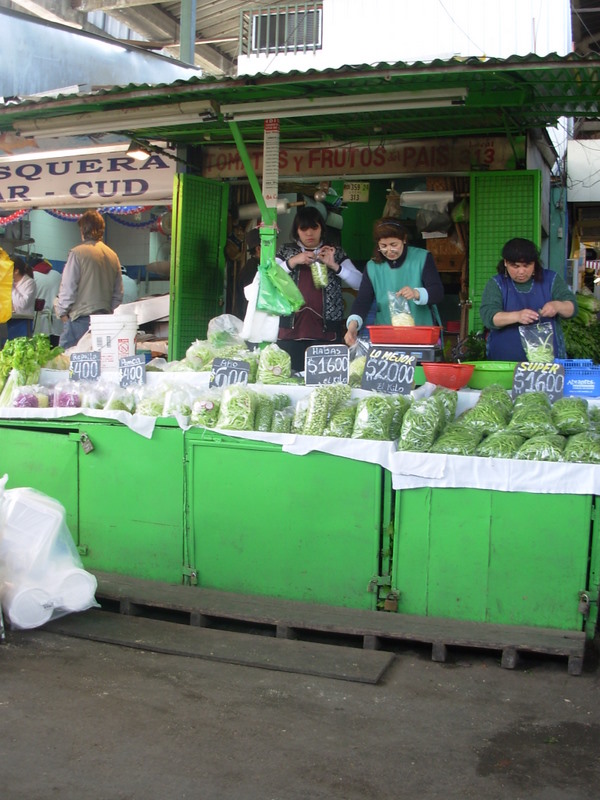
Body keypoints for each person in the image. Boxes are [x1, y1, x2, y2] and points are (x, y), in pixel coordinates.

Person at [276, 206, 362, 370]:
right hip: (290, 330)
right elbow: (269, 278)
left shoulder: (333, 251)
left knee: (323, 382)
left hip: (326, 331)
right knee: (290, 378)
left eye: (314, 228)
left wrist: (334, 266)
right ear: (296, 231)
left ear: (322, 229)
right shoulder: (287, 251)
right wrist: (293, 261)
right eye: (304, 228)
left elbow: (359, 283)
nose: (309, 233)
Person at [344, 217, 444, 346]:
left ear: (404, 239)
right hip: (387, 335)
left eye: (394, 244)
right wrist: (352, 326)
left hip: (422, 334)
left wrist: (417, 293)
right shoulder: (372, 266)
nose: (389, 250)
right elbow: (363, 301)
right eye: (383, 246)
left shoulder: (422, 258)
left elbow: (438, 293)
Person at [479, 237, 577, 361]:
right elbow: (489, 317)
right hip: (504, 362)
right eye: (515, 266)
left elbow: (572, 308)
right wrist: (517, 316)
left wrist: (557, 306)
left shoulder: (551, 279)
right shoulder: (496, 283)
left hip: (547, 363)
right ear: (505, 263)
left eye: (527, 265)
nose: (521, 271)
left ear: (534, 263)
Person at [55, 209, 124, 349]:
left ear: (83, 229)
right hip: (104, 321)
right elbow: (118, 294)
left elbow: (68, 288)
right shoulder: (112, 255)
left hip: (79, 320)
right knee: (100, 363)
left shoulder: (77, 253)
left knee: (64, 363)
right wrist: (107, 312)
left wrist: (62, 312)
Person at [32, 257, 62, 340]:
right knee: (56, 349)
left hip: (40, 320)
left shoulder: (33, 276)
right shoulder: (57, 274)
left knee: (42, 348)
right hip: (58, 318)